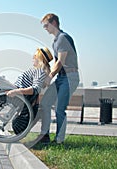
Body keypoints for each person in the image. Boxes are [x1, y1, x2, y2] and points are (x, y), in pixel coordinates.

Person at [38, 13, 80, 144]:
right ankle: (44, 135)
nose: (45, 28)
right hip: (61, 77)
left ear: (54, 23)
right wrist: (45, 74)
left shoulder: (63, 38)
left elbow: (61, 61)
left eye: (46, 25)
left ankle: (59, 140)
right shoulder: (55, 41)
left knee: (59, 109)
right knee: (45, 103)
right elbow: (56, 63)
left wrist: (50, 77)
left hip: (69, 77)